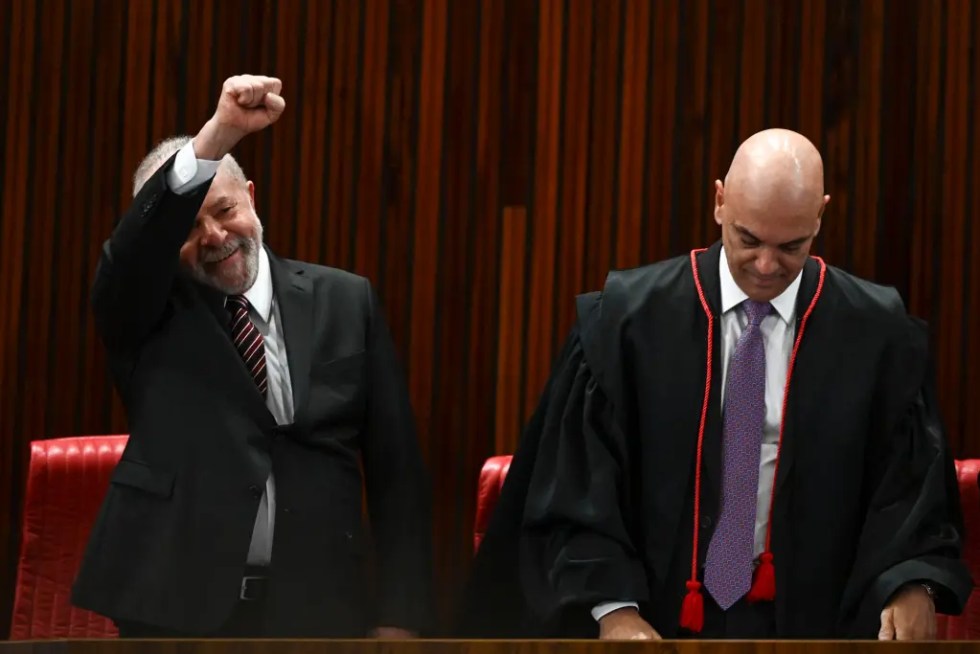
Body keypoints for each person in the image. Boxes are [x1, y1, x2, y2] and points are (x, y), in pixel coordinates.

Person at [457, 128, 970, 640]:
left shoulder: (876, 335)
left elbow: (909, 495)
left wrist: (910, 585)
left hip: (816, 627)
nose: (767, 266)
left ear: (820, 216)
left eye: (791, 246)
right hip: (652, 620)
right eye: (748, 239)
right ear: (720, 202)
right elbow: (575, 488)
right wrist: (613, 610)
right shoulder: (627, 323)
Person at [71, 75, 433, 638]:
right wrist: (217, 137)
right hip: (175, 608)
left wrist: (401, 617)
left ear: (253, 198)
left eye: (225, 210)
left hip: (320, 608)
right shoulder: (143, 307)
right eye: (190, 227)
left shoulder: (346, 299)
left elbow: (397, 473)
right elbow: (130, 253)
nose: (215, 236)